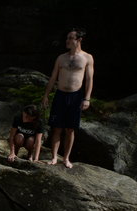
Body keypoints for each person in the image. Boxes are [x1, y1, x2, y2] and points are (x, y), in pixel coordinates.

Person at [41, 28, 94, 168]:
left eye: (70, 38)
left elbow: (89, 79)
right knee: (57, 128)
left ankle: (66, 158)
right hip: (60, 94)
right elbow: (53, 77)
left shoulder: (87, 57)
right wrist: (46, 95)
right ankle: (54, 157)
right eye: (67, 38)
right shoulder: (61, 58)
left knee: (70, 129)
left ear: (79, 40)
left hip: (76, 96)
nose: (67, 41)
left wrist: (87, 98)